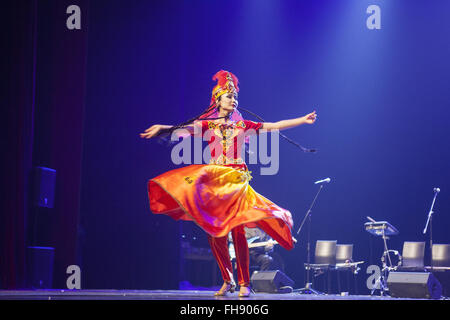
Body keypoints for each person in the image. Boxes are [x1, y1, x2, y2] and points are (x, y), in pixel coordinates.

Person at [140, 70, 317, 297]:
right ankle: (228, 280)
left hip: (236, 180)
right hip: (215, 181)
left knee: (237, 230)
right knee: (214, 233)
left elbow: (274, 125)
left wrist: (302, 119)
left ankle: (244, 283)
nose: (233, 100)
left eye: (235, 97)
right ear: (218, 100)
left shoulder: (244, 125)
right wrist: (162, 129)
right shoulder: (208, 125)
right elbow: (181, 129)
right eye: (229, 97)